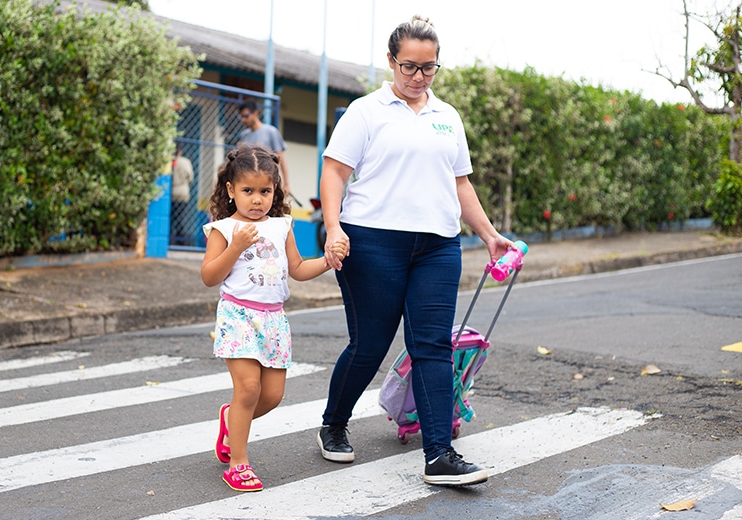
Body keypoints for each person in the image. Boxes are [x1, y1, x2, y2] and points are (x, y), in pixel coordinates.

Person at [316, 16, 515, 487]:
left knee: (431, 346)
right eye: (409, 66)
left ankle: (439, 455)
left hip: (438, 246)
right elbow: (333, 173)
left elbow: (460, 183)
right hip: (372, 242)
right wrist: (332, 227)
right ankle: (333, 422)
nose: (418, 77)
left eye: (429, 68)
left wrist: (488, 234)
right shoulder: (366, 112)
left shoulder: (447, 117)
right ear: (390, 61)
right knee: (370, 345)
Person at [201, 144, 347, 492]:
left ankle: (229, 419)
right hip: (238, 316)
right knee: (248, 390)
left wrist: (327, 261)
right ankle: (238, 463)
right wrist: (235, 247)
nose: (256, 199)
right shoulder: (222, 229)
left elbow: (296, 268)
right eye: (248, 191)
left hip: (274, 320)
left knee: (272, 396)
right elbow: (209, 276)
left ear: (275, 192)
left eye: (265, 191)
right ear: (231, 190)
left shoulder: (282, 226)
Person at [237, 100, 291, 196]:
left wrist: (286, 184)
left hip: (266, 181)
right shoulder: (244, 136)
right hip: (248, 183)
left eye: (246, 116)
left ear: (255, 113)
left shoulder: (271, 132)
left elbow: (281, 158)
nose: (243, 120)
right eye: (241, 117)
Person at [171, 146, 194, 245]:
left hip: (172, 190)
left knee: (172, 216)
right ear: (180, 151)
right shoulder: (186, 162)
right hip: (183, 191)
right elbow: (190, 177)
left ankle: (170, 238)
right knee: (180, 217)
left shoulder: (170, 162)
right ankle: (180, 239)